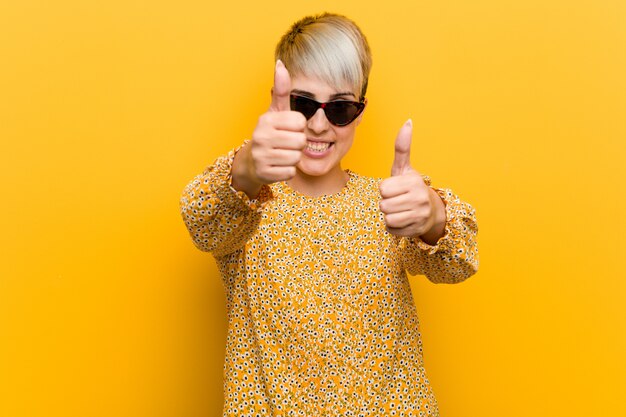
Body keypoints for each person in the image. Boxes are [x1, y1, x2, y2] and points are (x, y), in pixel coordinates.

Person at [180, 12, 478, 416]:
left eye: (339, 108)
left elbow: (458, 263)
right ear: (280, 100)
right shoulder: (248, 202)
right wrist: (248, 167)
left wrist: (433, 217)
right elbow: (202, 220)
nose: (319, 125)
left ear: (360, 110)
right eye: (303, 104)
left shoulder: (390, 202)